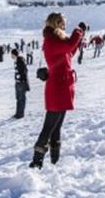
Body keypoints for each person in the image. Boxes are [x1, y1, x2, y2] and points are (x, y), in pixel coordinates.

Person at [29, 13, 85, 169]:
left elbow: (69, 53)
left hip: (63, 85)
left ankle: (54, 160)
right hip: (57, 87)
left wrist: (79, 37)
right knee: (49, 126)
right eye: (63, 23)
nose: (64, 26)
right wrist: (78, 31)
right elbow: (68, 46)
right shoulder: (51, 40)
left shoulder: (56, 40)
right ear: (57, 23)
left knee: (57, 125)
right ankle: (36, 161)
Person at [11, 49, 29, 119]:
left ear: (14, 54)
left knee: (21, 98)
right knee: (18, 98)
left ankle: (20, 114)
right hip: (18, 82)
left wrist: (23, 80)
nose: (11, 56)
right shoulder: (17, 60)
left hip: (21, 83)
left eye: (11, 54)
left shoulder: (20, 60)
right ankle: (18, 113)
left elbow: (24, 71)